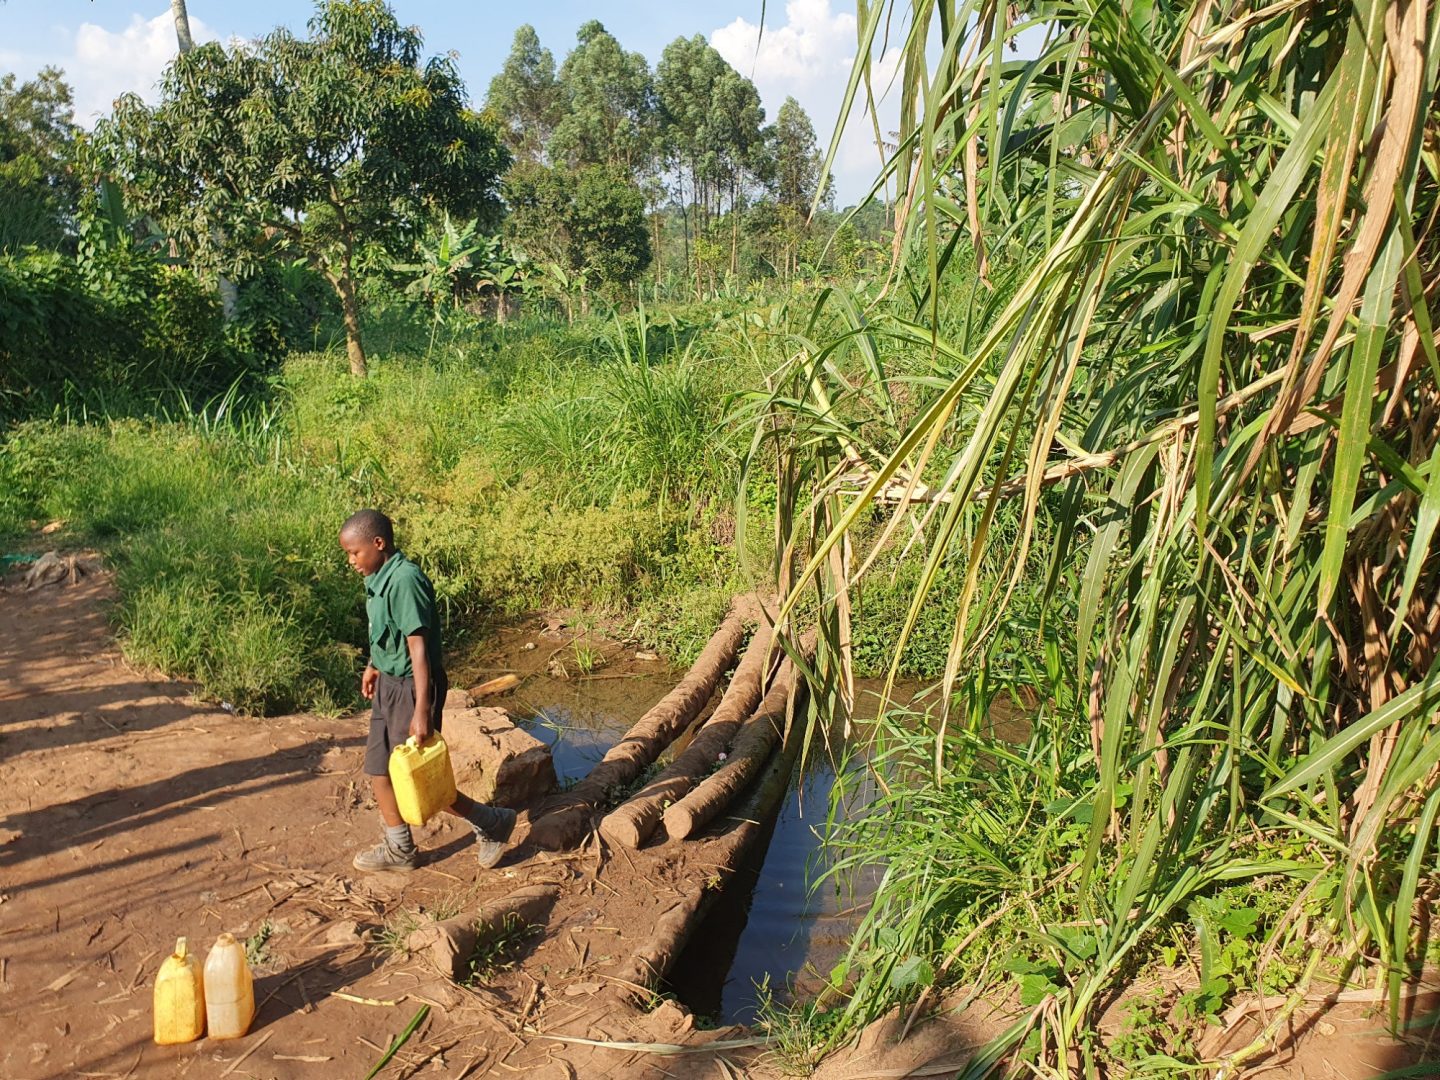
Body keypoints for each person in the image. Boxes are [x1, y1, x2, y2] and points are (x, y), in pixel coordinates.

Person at [338, 508, 516, 872]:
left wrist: (422, 710)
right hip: (389, 684)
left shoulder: (404, 580)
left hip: (412, 688)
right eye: (348, 554)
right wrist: (374, 665)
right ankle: (399, 849)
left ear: (378, 543)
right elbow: (385, 631)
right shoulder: (376, 577)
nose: (351, 561)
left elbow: (418, 649)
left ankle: (492, 822)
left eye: (354, 552)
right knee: (379, 770)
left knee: (418, 777)